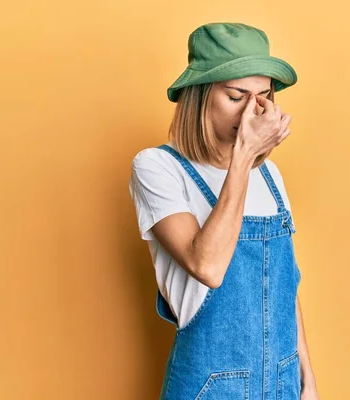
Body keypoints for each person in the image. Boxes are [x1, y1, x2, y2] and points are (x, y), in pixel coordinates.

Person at [129, 22, 319, 399]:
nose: (252, 112)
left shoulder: (270, 176)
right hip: (210, 388)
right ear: (200, 97)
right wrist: (245, 154)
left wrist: (307, 381)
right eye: (236, 96)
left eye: (263, 96)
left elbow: (283, 286)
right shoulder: (157, 168)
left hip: (282, 385)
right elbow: (208, 267)